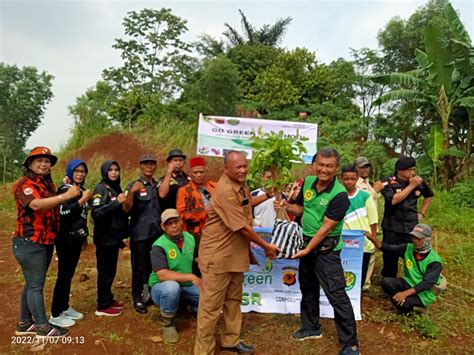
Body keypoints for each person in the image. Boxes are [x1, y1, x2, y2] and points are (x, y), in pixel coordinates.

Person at [276, 148, 360, 355]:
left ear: (336, 168)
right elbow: (303, 210)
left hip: (325, 250)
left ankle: (351, 344)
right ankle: (310, 327)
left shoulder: (340, 195)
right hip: (306, 244)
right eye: (320, 164)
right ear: (315, 164)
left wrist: (307, 250)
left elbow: (325, 228)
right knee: (308, 288)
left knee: (336, 293)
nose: (324, 169)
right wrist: (286, 205)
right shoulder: (308, 183)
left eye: (329, 166)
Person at [194, 150, 279, 355]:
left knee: (233, 301)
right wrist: (266, 247)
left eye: (244, 166)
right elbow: (241, 227)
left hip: (235, 255)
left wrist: (268, 194)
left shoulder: (239, 184)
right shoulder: (224, 191)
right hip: (218, 257)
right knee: (210, 308)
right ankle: (203, 350)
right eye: (237, 167)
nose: (242, 170)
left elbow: (246, 203)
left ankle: (230, 341)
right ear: (226, 169)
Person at [12, 146, 80, 339]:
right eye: (39, 160)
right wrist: (65, 196)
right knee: (35, 286)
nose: (43, 164)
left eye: (47, 161)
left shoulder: (46, 184)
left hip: (45, 241)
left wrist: (62, 189)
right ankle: (42, 326)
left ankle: (24, 323)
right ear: (30, 164)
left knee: (32, 283)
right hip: (30, 241)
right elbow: (35, 204)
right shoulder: (24, 184)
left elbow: (52, 201)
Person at [50, 159, 93, 327]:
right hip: (65, 238)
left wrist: (83, 238)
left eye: (83, 171)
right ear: (70, 172)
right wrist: (83, 199)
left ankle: (64, 307)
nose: (80, 174)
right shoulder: (65, 189)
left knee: (69, 275)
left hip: (76, 238)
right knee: (63, 276)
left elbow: (82, 217)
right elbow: (64, 212)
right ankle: (55, 313)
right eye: (77, 171)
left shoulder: (79, 189)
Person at [365, 224, 443, 313]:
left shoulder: (434, 261)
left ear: (427, 240)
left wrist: (404, 294)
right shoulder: (408, 248)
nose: (415, 241)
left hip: (424, 293)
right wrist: (373, 239)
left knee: (399, 302)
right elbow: (387, 248)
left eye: (418, 239)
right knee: (386, 282)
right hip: (410, 283)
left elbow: (426, 284)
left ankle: (418, 308)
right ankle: (403, 300)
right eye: (413, 237)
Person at [149, 209, 200, 343]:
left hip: (186, 285)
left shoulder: (190, 238)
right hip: (161, 288)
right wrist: (192, 277)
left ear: (181, 221)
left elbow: (197, 259)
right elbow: (162, 275)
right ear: (163, 227)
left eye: (176, 221)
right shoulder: (158, 246)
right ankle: (168, 323)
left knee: (209, 294)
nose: (174, 226)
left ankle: (186, 306)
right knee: (172, 288)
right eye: (169, 223)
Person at [380, 156, 434, 278]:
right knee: (389, 255)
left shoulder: (419, 181)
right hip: (392, 225)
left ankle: (411, 281)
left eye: (414, 169)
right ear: (400, 170)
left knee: (413, 254)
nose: (413, 173)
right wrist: (410, 186)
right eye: (410, 170)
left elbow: (429, 195)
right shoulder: (388, 181)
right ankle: (388, 281)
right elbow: (393, 201)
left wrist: (422, 212)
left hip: (411, 226)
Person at [123, 153, 162, 314]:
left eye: (152, 164)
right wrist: (132, 192)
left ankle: (151, 295)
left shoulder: (157, 185)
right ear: (140, 166)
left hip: (157, 233)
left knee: (154, 266)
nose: (149, 167)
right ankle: (138, 298)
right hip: (140, 233)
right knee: (139, 267)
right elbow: (126, 208)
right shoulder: (134, 185)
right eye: (146, 164)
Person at [92, 160, 128, 316]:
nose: (114, 172)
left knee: (111, 271)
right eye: (110, 170)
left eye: (116, 169)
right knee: (105, 272)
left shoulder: (115, 188)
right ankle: (102, 305)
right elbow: (96, 213)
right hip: (104, 239)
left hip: (113, 238)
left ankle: (108, 297)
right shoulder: (101, 189)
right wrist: (116, 203)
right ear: (104, 172)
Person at [340, 165, 378, 292]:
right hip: (342, 242)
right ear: (341, 179)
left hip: (362, 244)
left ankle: (356, 303)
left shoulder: (365, 196)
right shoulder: (337, 195)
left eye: (352, 179)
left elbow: (373, 219)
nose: (349, 182)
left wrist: (373, 237)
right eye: (346, 179)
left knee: (359, 276)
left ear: (357, 179)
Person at [176, 157, 215, 243]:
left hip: (216, 230)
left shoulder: (214, 187)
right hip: (196, 233)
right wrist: (204, 213)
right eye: (195, 172)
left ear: (206, 172)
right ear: (190, 173)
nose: (198, 175)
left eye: (201, 172)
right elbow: (181, 214)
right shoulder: (184, 191)